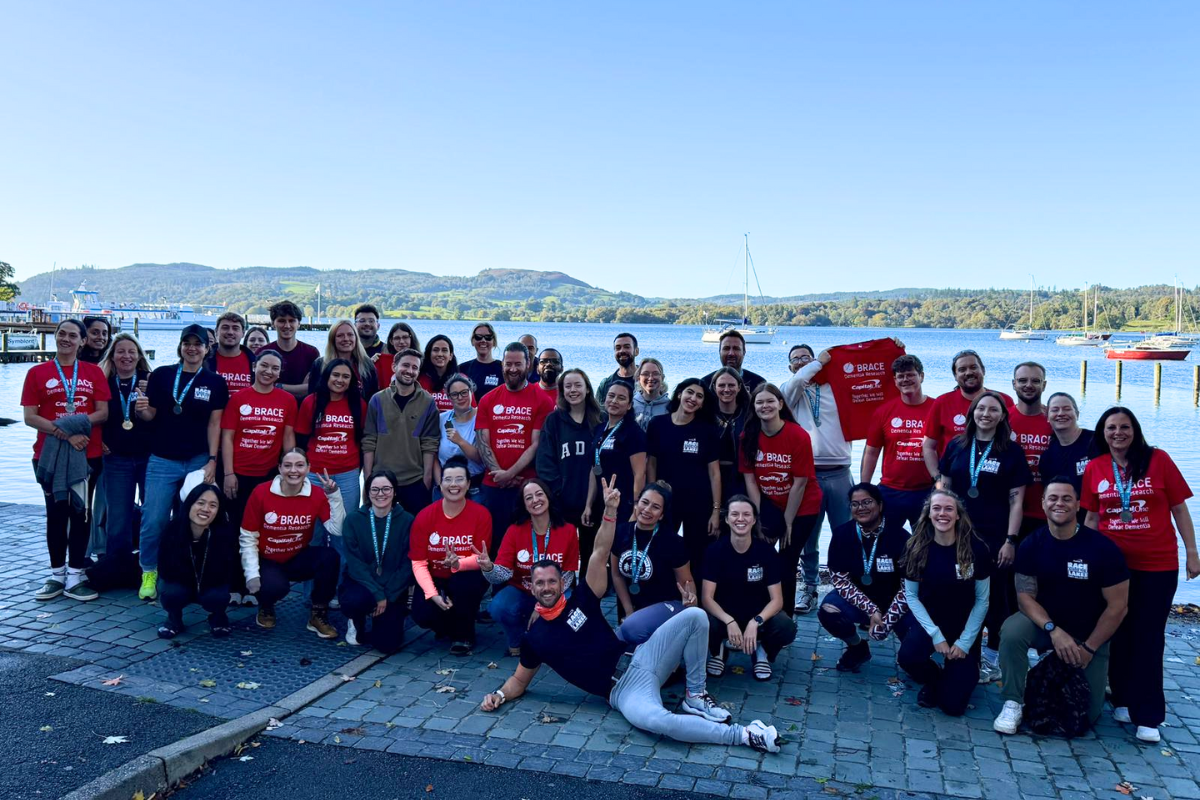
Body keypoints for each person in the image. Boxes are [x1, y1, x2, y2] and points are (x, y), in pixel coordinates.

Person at [480, 477, 782, 754]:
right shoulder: (535, 639)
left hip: (641, 658)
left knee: (696, 616)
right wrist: (498, 695)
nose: (546, 587)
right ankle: (744, 735)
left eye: (551, 581)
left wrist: (610, 510)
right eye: (539, 583)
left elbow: (599, 551)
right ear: (531, 588)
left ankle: (695, 695)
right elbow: (518, 681)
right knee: (660, 723)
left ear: (563, 582)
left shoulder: (583, 598)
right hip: (623, 691)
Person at [1082, 406, 1198, 743]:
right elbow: (1091, 519)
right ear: (1102, 434)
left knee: (1149, 636)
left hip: (1157, 564)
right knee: (1117, 631)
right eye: (1111, 428)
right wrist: (1087, 561)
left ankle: (1148, 714)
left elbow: (1179, 508)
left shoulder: (1158, 460)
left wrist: (1192, 552)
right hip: (1113, 567)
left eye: (1125, 427)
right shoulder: (1095, 467)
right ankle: (1122, 698)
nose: (1118, 433)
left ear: (1135, 430)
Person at [993, 479, 1129, 735]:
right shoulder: (1031, 544)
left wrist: (1089, 648)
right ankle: (1013, 701)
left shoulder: (1103, 549)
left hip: (1089, 634)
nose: (1059, 503)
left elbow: (1118, 607)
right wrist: (1053, 630)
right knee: (1011, 631)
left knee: (1087, 716)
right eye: (1052, 498)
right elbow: (1025, 598)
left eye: (1067, 498)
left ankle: (1052, 666)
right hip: (1047, 626)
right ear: (1043, 504)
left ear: (1078, 505)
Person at [936, 391, 1030, 682]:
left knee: (995, 598)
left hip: (994, 537)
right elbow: (943, 489)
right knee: (957, 591)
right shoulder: (957, 445)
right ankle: (956, 647)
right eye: (980, 408)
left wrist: (1011, 540)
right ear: (972, 413)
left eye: (993, 409)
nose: (986, 414)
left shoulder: (1011, 452)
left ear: (1002, 416)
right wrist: (936, 527)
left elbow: (1017, 502)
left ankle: (992, 655)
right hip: (958, 533)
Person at [133, 324, 229, 601]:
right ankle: (149, 571)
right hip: (163, 459)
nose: (192, 348)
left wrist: (212, 460)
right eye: (187, 343)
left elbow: (215, 424)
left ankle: (189, 570)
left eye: (197, 344)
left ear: (206, 348)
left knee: (197, 519)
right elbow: (151, 415)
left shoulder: (215, 382)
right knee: (154, 519)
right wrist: (142, 412)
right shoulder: (162, 375)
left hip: (199, 459)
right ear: (180, 346)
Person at [24, 319, 111, 602]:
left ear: (82, 342)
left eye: (73, 335)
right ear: (55, 337)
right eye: (61, 334)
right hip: (47, 456)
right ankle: (56, 575)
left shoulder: (93, 373)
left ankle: (75, 575)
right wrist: (67, 434)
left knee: (81, 514)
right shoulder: (37, 373)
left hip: (88, 456)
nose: (66, 339)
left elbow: (102, 414)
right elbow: (30, 417)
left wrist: (72, 427)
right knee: (56, 514)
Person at [895, 489, 991, 717]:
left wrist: (965, 643)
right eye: (936, 508)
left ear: (958, 515)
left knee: (952, 707)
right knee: (908, 658)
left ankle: (961, 672)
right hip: (931, 622)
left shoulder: (976, 549)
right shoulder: (916, 547)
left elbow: (982, 600)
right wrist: (935, 635)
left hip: (964, 626)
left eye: (949, 508)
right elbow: (911, 597)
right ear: (928, 514)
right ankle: (934, 678)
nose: (942, 513)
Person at [780, 344, 853, 615]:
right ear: (790, 367)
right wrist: (816, 363)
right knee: (808, 538)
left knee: (846, 536)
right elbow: (797, 381)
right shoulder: (791, 392)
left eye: (805, 357)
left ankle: (847, 589)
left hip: (841, 473)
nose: (800, 362)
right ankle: (809, 587)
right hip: (808, 476)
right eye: (795, 359)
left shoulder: (836, 388)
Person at [240, 449, 344, 637]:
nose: (293, 470)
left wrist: (334, 495)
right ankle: (266, 605)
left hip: (295, 557)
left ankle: (318, 614)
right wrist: (251, 574)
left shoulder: (317, 494)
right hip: (267, 559)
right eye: (287, 465)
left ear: (308, 468)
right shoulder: (261, 492)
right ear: (279, 468)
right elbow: (248, 536)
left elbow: (337, 530)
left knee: (330, 557)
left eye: (299, 465)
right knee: (276, 587)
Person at [739, 383, 821, 613]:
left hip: (802, 506)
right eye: (759, 402)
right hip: (769, 504)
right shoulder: (748, 436)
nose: (765, 406)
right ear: (753, 407)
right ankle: (757, 608)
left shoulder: (797, 435)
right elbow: (750, 480)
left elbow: (800, 482)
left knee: (787, 561)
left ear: (780, 404)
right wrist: (756, 517)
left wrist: (788, 522)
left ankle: (784, 619)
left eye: (770, 401)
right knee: (758, 555)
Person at [818, 483, 913, 673]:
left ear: (880, 505)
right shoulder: (842, 534)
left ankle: (912, 654)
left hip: (899, 603)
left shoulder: (901, 537)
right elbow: (840, 581)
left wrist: (888, 621)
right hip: (862, 601)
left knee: (912, 658)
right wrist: (871, 610)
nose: (861, 508)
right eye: (855, 504)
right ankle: (857, 647)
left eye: (867, 502)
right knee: (828, 610)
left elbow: (908, 588)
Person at [702, 495, 797, 680]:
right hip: (724, 617)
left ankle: (762, 651)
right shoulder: (715, 551)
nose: (740, 519)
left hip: (757, 616)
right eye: (735, 514)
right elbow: (707, 598)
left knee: (786, 626)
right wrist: (729, 621)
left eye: (746, 514)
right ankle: (717, 650)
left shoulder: (766, 551)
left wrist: (756, 621)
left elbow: (777, 600)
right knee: (701, 620)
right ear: (727, 519)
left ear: (754, 520)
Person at [482, 477, 580, 656]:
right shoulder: (515, 531)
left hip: (555, 592)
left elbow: (568, 574)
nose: (535, 500)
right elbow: (502, 574)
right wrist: (488, 568)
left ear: (548, 497)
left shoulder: (568, 531)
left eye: (539, 494)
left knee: (569, 607)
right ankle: (517, 640)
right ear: (524, 505)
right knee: (498, 607)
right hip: (523, 591)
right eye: (529, 498)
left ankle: (549, 639)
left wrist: (542, 606)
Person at [474, 343, 554, 555]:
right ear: (502, 365)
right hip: (493, 484)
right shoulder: (488, 400)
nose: (512, 368)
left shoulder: (542, 400)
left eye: (518, 363)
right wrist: (499, 474)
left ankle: (527, 583)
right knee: (495, 540)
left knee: (527, 540)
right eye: (508, 363)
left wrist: (510, 474)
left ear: (528, 364)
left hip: (527, 484)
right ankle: (496, 584)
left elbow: (536, 444)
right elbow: (483, 442)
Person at [408, 457, 492, 655]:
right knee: (421, 614)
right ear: (441, 483)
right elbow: (418, 562)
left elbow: (481, 558)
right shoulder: (425, 516)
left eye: (459, 479)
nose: (454, 485)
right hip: (435, 576)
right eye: (448, 479)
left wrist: (459, 563)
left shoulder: (481, 514)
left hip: (467, 576)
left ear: (469, 484)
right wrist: (432, 594)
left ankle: (464, 635)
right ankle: (448, 626)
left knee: (464, 584)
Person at [647, 378, 720, 577]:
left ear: (703, 403)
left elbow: (714, 473)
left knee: (697, 554)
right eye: (690, 392)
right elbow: (651, 463)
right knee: (663, 549)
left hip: (698, 503)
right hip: (667, 502)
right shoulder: (658, 424)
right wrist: (653, 494)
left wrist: (715, 511)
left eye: (699, 396)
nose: (693, 398)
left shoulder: (707, 431)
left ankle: (695, 600)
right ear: (679, 393)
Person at [610, 482, 697, 645]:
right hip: (635, 608)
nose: (647, 510)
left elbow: (687, 580)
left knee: (633, 630)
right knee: (617, 642)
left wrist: (691, 600)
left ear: (662, 515)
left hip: (667, 604)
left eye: (656, 507)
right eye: (644, 502)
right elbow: (616, 575)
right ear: (637, 504)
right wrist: (629, 611)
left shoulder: (673, 542)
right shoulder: (620, 532)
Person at [339, 469, 415, 653]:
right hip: (363, 584)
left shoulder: (408, 521)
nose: (381, 494)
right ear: (368, 492)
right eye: (375, 489)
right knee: (354, 600)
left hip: (393, 588)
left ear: (395, 491)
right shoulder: (353, 520)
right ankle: (356, 618)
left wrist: (387, 596)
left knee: (387, 645)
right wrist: (377, 594)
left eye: (386, 489)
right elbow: (355, 564)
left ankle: (386, 619)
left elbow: (408, 564)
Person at [220, 351, 298, 530]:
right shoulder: (238, 398)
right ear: (254, 367)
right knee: (235, 523)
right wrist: (228, 474)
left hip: (269, 473)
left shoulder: (288, 401)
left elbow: (287, 437)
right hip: (239, 474)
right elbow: (227, 438)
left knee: (266, 522)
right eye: (264, 365)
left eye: (275, 368)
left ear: (279, 373)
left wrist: (289, 472)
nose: (268, 371)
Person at [363, 348, 440, 515]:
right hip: (381, 481)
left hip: (415, 482)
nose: (410, 371)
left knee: (414, 534)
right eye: (405, 365)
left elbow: (430, 444)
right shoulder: (377, 399)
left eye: (415, 368)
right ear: (394, 367)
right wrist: (368, 479)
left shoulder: (428, 402)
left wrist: (427, 481)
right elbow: (369, 441)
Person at [862, 354, 934, 529]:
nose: (905, 379)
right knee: (885, 545)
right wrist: (864, 489)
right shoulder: (884, 411)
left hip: (926, 491)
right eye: (900, 376)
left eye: (910, 374)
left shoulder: (936, 408)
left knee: (926, 546)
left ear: (921, 376)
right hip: (891, 492)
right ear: (894, 381)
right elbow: (871, 452)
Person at [156, 483, 238, 639]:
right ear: (190, 504)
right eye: (200, 503)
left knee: (218, 596)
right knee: (170, 592)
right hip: (181, 583)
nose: (206, 509)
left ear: (218, 510)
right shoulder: (173, 529)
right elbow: (165, 567)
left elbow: (227, 570)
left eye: (213, 505)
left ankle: (218, 617)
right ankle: (174, 618)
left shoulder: (224, 532)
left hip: (211, 584)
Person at [98, 332, 152, 565]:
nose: (126, 356)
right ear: (112, 355)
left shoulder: (150, 381)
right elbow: (94, 415)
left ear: (139, 355)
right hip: (116, 458)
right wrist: (96, 440)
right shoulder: (103, 383)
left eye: (132, 351)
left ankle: (151, 564)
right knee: (118, 517)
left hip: (149, 457)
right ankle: (116, 566)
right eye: (121, 351)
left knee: (152, 514)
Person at [581, 380, 646, 566]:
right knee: (597, 551)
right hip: (601, 501)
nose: (614, 401)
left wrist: (636, 506)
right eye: (611, 396)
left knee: (619, 553)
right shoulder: (600, 429)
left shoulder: (634, 433)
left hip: (623, 503)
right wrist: (588, 504)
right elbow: (595, 469)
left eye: (621, 398)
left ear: (630, 404)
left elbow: (640, 474)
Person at [295, 358, 367, 523]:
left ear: (351, 381)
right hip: (315, 473)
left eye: (345, 376)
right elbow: (301, 440)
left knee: (346, 523)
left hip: (347, 473)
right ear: (327, 376)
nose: (340, 380)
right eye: (335, 375)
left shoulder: (359, 404)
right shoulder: (310, 402)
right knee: (313, 524)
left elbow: (362, 439)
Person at [921, 350, 1015, 468]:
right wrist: (937, 478)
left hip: (994, 477)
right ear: (955, 376)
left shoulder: (1004, 400)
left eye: (973, 367)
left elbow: (1011, 439)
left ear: (983, 370)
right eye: (962, 369)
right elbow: (928, 446)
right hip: (952, 479)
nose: (969, 372)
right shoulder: (942, 402)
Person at [535, 368, 600, 536]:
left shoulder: (601, 420)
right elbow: (544, 461)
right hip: (562, 503)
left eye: (578, 385)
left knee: (590, 555)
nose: (573, 390)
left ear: (587, 389)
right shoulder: (554, 421)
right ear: (562, 391)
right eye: (568, 386)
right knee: (561, 553)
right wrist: (559, 490)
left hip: (594, 503)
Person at [1009, 362, 1053, 537]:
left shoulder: (1055, 420)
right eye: (1022, 380)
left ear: (1044, 385)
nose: (1028, 385)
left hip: (1047, 513)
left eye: (1035, 381)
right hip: (1009, 513)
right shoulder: (1003, 419)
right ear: (1014, 384)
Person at [258, 301, 321, 399]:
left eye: (291, 321)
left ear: (299, 324)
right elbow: (260, 387)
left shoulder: (311, 353)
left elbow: (312, 388)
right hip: (271, 409)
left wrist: (278, 386)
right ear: (273, 323)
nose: (287, 325)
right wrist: (298, 389)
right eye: (282, 321)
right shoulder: (262, 353)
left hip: (301, 410)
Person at [1038, 392, 1092, 500]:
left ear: (1077, 414)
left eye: (1067, 409)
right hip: (1067, 514)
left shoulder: (1097, 441)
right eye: (1055, 410)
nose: (1061, 413)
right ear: (1047, 417)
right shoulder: (1047, 457)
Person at [435, 373, 484, 493]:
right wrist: (440, 485)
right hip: (445, 485)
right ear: (449, 397)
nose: (460, 398)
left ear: (471, 392)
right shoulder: (441, 419)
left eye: (464, 392)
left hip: (474, 486)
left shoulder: (482, 417)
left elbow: (481, 459)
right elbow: (433, 456)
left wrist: (460, 441)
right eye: (455, 394)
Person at [307, 320, 379, 399]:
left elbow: (373, 397)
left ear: (356, 338)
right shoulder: (320, 364)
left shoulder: (367, 364)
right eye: (340, 335)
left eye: (350, 335)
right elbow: (312, 396)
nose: (346, 339)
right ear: (332, 339)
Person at [710, 367, 750, 506]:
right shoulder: (706, 415)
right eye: (721, 385)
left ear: (739, 387)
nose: (726, 389)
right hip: (709, 480)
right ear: (714, 387)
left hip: (740, 481)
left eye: (731, 385)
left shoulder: (749, 416)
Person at [701, 330, 766, 394]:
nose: (731, 353)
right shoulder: (705, 384)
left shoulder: (759, 384)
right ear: (719, 352)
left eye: (736, 348)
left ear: (744, 352)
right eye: (726, 348)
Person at [206, 312, 256, 392]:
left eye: (235, 328)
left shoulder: (254, 362)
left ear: (243, 333)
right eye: (225, 327)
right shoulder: (204, 360)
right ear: (216, 332)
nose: (230, 332)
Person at [373, 322, 421, 392]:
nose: (401, 341)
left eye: (405, 337)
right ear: (391, 341)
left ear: (411, 338)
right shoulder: (382, 361)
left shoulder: (421, 361)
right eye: (397, 338)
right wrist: (370, 363)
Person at [418, 335, 460, 412]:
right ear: (429, 354)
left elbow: (471, 412)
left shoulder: (461, 381)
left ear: (450, 356)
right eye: (435, 350)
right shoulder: (418, 379)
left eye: (444, 350)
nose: (440, 354)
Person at [459, 322, 503, 394]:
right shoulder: (462, 369)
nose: (483, 341)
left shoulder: (503, 369)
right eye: (478, 337)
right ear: (472, 341)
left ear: (494, 342)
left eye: (488, 337)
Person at [594, 332, 639, 402]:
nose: (622, 351)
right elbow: (596, 410)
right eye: (618, 348)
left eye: (627, 347)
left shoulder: (647, 381)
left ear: (636, 351)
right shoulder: (606, 384)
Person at [632, 358, 670, 431]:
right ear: (638, 378)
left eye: (655, 374)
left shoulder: (671, 407)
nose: (650, 378)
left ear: (662, 377)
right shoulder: (630, 405)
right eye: (645, 374)